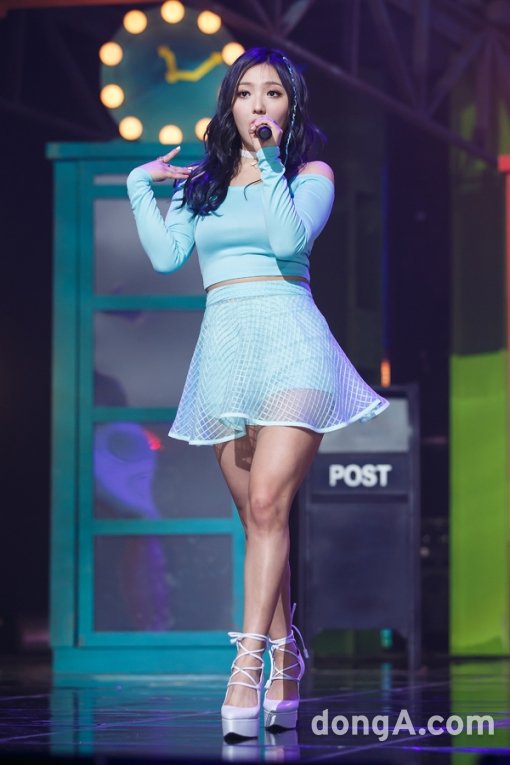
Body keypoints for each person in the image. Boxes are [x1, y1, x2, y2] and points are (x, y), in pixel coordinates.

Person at [127, 46, 389, 740]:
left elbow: (287, 239)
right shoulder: (202, 185)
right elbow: (166, 256)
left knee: (271, 503)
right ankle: (288, 658)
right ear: (230, 105)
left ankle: (248, 664)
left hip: (292, 341)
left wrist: (271, 162)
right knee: (256, 519)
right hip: (226, 349)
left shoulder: (309, 175)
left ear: (290, 105)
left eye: (272, 92)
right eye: (245, 93)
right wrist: (137, 186)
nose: (258, 105)